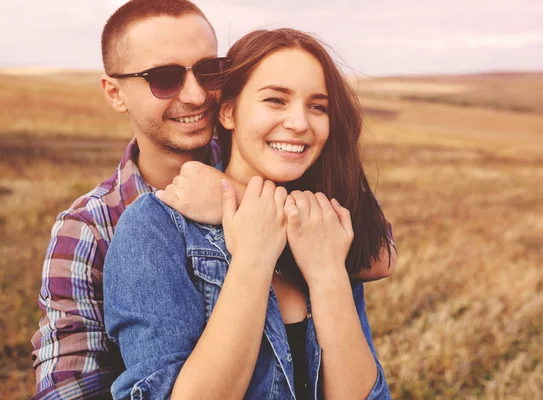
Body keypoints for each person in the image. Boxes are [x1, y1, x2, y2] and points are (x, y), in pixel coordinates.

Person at [31, 1, 396, 399]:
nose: (195, 94)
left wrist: (237, 197)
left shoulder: (299, 190)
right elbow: (67, 390)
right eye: (163, 78)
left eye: (208, 71)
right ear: (115, 93)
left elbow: (377, 254)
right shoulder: (97, 225)